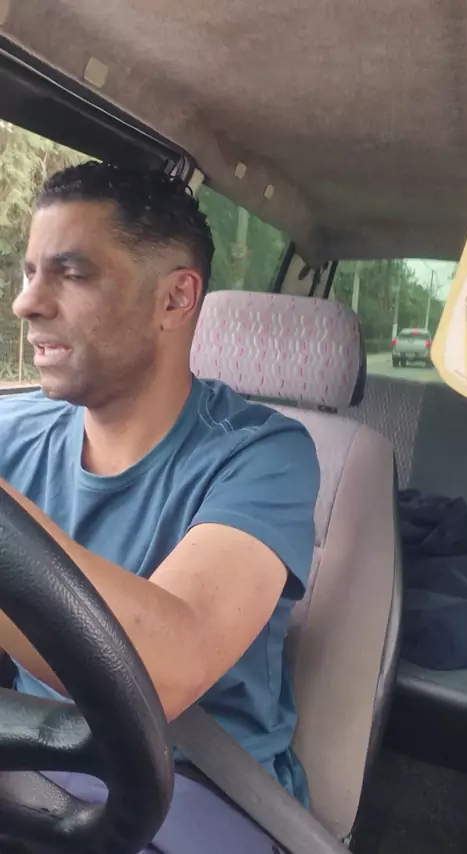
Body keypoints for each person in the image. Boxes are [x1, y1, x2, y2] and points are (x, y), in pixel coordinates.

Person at [0, 162, 320, 852]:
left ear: (176, 299)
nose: (26, 303)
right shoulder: (13, 432)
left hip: (192, 790)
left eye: (71, 274)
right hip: (28, 761)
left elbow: (159, 672)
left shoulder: (264, 455)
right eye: (28, 273)